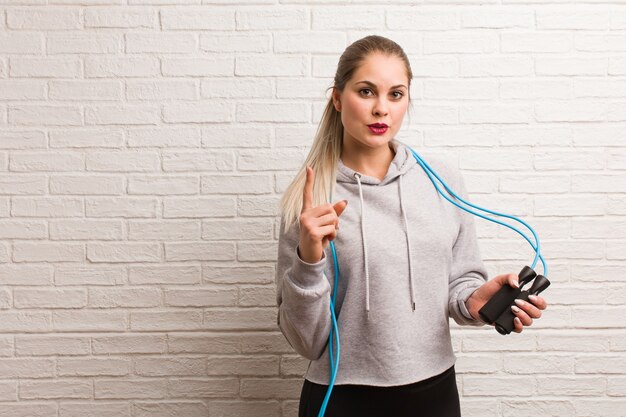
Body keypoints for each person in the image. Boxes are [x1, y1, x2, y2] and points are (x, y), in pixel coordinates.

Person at [274, 35, 548, 417]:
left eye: (396, 94)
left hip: (433, 392)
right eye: (366, 91)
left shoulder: (442, 178)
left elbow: (459, 284)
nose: (381, 109)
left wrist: (475, 301)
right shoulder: (309, 201)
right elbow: (307, 342)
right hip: (341, 397)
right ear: (337, 98)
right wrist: (308, 258)